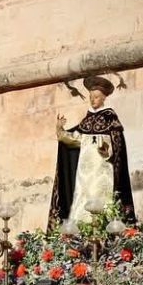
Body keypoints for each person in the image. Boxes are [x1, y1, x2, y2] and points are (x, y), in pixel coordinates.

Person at [50, 75, 134, 225]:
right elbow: (75, 139)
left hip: (102, 171)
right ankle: (82, 230)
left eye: (96, 97)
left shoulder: (110, 118)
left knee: (102, 202)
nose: (93, 100)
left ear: (103, 98)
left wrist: (107, 150)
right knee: (82, 203)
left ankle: (104, 226)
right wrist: (60, 130)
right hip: (84, 174)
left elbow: (117, 144)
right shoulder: (87, 120)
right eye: (91, 97)